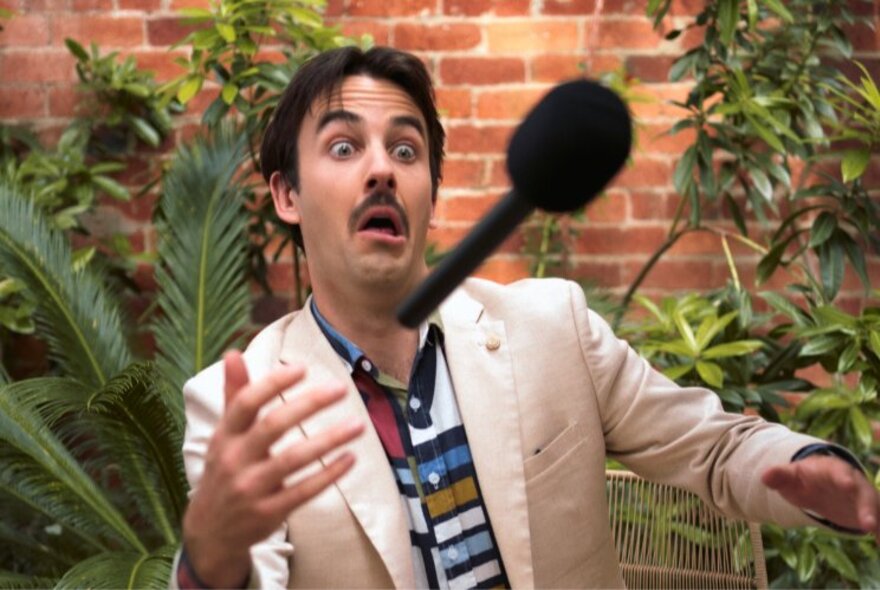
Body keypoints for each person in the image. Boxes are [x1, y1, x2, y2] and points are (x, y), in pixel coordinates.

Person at [172, 46, 880, 589]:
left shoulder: (552, 328)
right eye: (345, 146)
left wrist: (808, 464)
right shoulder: (235, 401)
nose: (382, 169)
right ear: (286, 196)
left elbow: (718, 449)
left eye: (406, 149)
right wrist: (212, 555)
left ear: (429, 191)